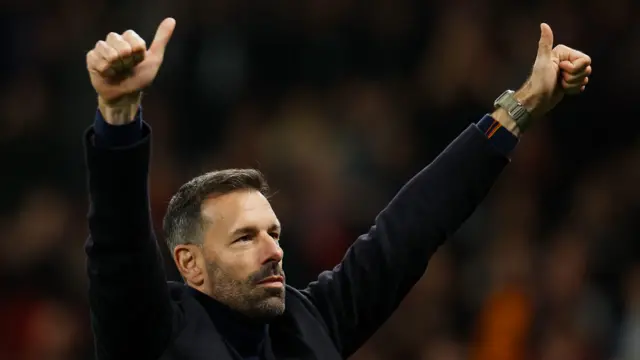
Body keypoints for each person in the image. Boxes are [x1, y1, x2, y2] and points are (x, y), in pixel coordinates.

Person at [83, 17, 592, 360]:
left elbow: (411, 228)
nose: (273, 250)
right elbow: (119, 246)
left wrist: (521, 106)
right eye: (245, 237)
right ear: (189, 263)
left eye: (273, 232)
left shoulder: (306, 324)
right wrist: (120, 117)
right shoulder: (152, 333)